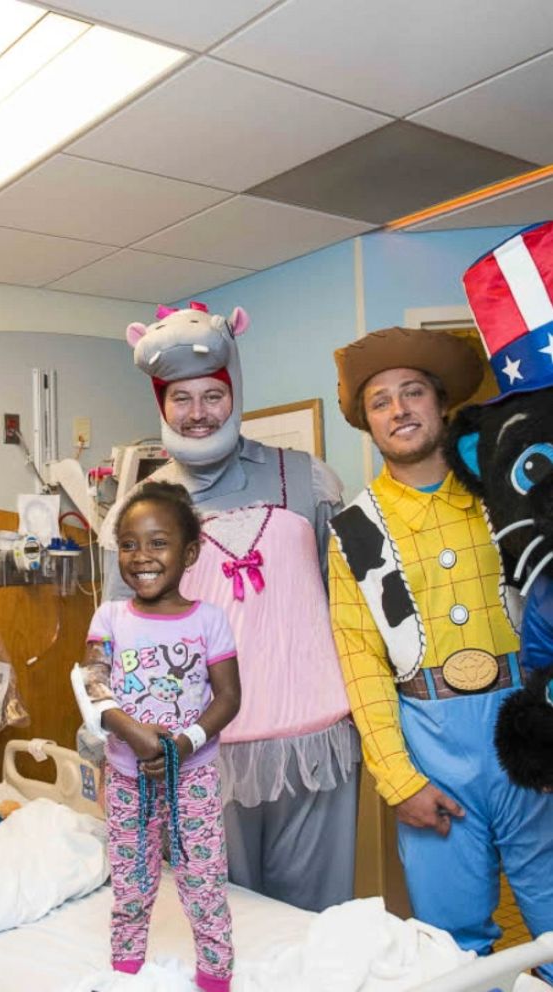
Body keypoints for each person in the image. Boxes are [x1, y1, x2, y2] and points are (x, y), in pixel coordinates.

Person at [99, 302, 359, 912]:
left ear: (235, 391)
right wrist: (111, 739)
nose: (197, 414)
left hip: (313, 741)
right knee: (221, 916)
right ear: (160, 407)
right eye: (180, 399)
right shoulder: (143, 504)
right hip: (200, 747)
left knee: (314, 918)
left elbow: (345, 602)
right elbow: (117, 636)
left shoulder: (304, 478)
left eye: (212, 395)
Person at [328, 326, 553, 980]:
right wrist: (400, 781)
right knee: (452, 941)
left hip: (523, 723)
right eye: (380, 401)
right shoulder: (353, 530)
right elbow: (360, 662)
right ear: (367, 423)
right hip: (428, 742)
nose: (399, 409)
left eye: (413, 392)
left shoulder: (503, 497)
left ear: (441, 401)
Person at [76, 480, 240, 992]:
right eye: (128, 544)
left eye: (157, 542)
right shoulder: (110, 617)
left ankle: (215, 978)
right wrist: (132, 733)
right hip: (127, 779)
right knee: (131, 884)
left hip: (192, 778)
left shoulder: (210, 621)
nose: (141, 556)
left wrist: (181, 743)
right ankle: (126, 975)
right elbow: (91, 681)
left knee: (203, 880)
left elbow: (229, 699)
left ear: (189, 552)